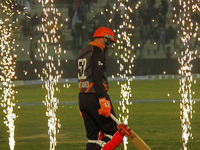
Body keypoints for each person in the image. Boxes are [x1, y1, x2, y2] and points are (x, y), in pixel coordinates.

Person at [77, 27, 124, 150]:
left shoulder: (83, 51)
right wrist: (102, 99)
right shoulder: (97, 51)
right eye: (109, 42)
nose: (109, 46)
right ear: (105, 38)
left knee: (94, 137)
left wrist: (82, 102)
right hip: (95, 96)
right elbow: (96, 77)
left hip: (83, 97)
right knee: (114, 134)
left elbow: (82, 77)